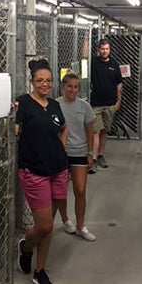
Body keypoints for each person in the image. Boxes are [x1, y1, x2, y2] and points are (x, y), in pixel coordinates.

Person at [16, 59, 69, 284]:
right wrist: (8, 116)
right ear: (32, 82)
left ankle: (40, 270)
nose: (44, 84)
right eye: (40, 80)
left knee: (47, 227)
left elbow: (63, 128)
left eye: (48, 81)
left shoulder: (55, 105)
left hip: (58, 169)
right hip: (34, 170)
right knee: (45, 224)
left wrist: (60, 147)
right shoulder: (23, 103)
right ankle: (26, 248)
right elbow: (12, 132)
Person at [56, 72, 96, 241]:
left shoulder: (84, 106)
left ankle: (80, 226)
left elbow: (90, 130)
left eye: (75, 87)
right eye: (69, 86)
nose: (72, 90)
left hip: (80, 153)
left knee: (80, 190)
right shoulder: (55, 105)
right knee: (61, 192)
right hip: (61, 153)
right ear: (63, 87)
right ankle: (65, 220)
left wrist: (90, 153)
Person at [89, 37, 123, 173]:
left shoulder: (114, 64)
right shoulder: (94, 62)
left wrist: (118, 101)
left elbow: (119, 83)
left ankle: (101, 155)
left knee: (104, 131)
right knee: (95, 132)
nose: (104, 51)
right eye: (102, 49)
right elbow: (84, 57)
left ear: (110, 50)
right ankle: (94, 159)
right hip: (96, 104)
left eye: (107, 49)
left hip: (110, 104)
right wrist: (86, 38)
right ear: (98, 50)